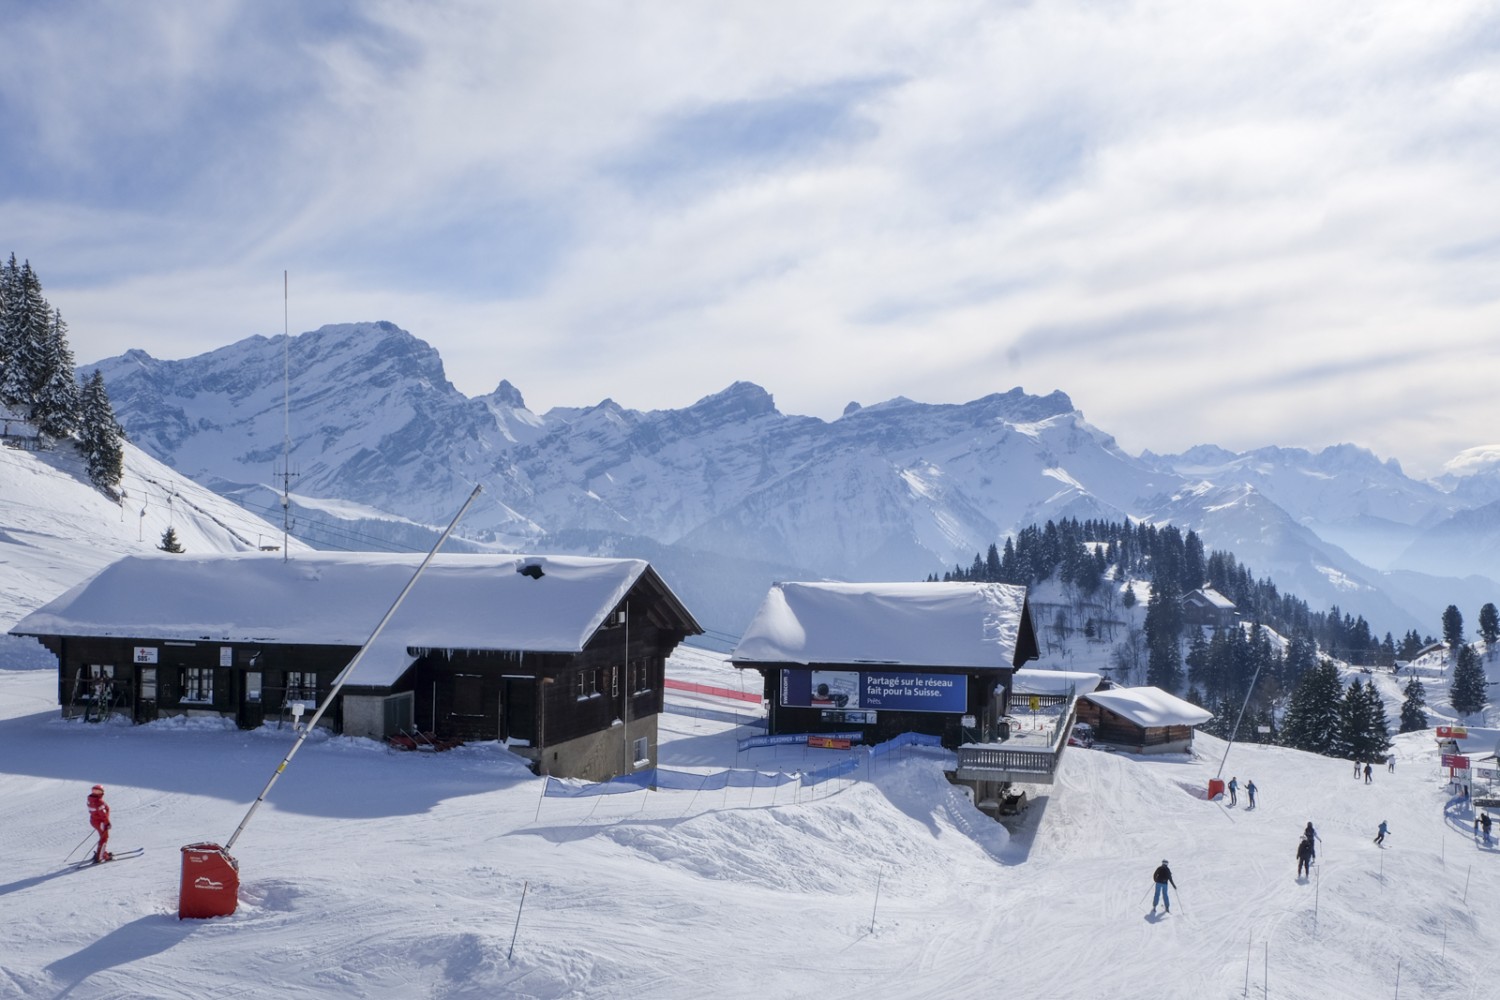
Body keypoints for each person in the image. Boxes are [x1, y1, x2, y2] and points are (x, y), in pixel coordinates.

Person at [86, 784, 112, 864]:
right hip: (100, 822)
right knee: (104, 838)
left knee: (102, 837)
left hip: (94, 821)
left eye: (98, 791)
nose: (96, 793)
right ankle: (100, 857)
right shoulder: (99, 802)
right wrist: (107, 823)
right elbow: (103, 814)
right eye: (94, 791)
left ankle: (101, 852)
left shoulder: (90, 799)